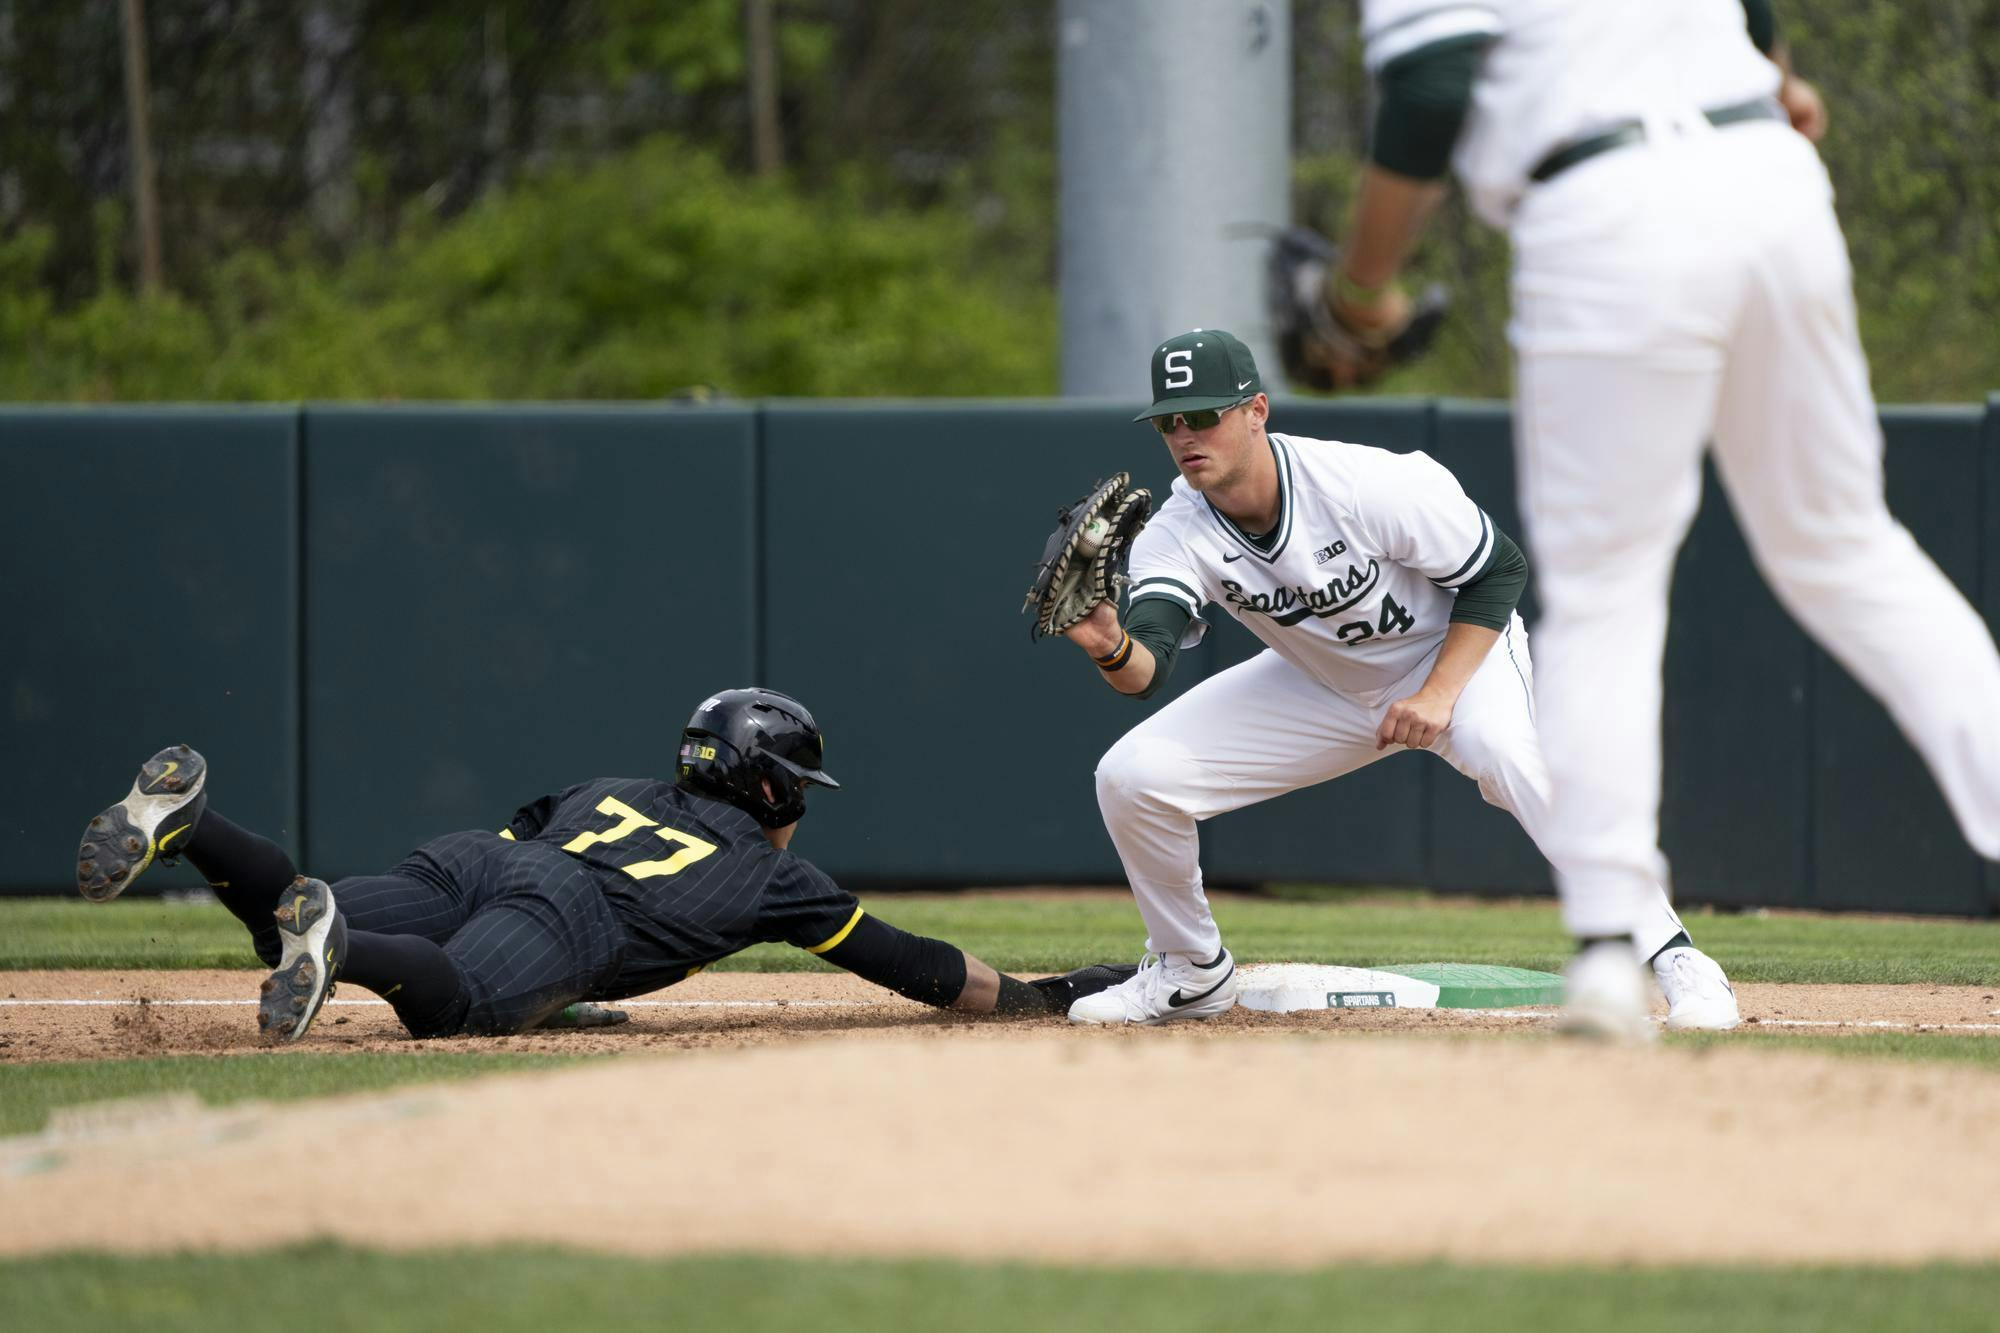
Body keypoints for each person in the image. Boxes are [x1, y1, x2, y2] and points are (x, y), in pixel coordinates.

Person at [1285, 0, 2000, 1037]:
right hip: (1767, 178)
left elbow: (1432, 86)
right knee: (1848, 550)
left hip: (1604, 205)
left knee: (1607, 596)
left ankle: (1611, 956)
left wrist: (1358, 294)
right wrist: (1773, 74)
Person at [1058, 328, 1737, 1030]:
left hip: (1456, 652)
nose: (1184, 433)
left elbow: (1497, 569)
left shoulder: (1359, 485)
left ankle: (1677, 955)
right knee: (1132, 775)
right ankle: (1189, 968)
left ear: (1257, 410)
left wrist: (1441, 691)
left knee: (1512, 759)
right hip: (1323, 679)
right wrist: (1111, 644)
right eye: (1169, 420)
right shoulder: (1176, 529)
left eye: (1204, 414)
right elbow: (1149, 667)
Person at [74, 690, 1131, 1041]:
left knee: (284, 920)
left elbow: (522, 842)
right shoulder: (772, 879)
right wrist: (1036, 996)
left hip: (486, 855)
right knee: (466, 1009)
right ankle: (344, 947)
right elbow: (917, 965)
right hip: (570, 913)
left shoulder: (605, 786)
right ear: (770, 786)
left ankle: (197, 825)